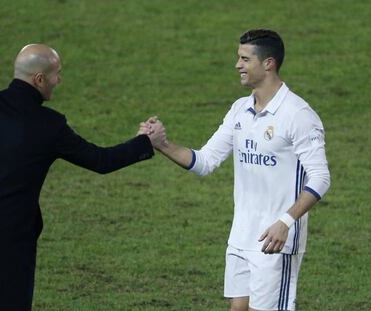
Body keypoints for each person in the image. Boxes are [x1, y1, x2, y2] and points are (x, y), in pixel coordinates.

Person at [0, 44, 165, 310]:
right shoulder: (48, 125)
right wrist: (145, 141)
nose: (60, 80)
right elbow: (100, 161)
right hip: (7, 242)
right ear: (39, 79)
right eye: (57, 73)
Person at [141, 29, 330, 311]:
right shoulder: (240, 110)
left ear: (268, 64)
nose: (237, 65)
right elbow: (205, 161)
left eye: (244, 59)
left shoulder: (298, 115)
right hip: (241, 237)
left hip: (275, 241)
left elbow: (321, 177)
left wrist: (285, 222)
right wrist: (162, 144)